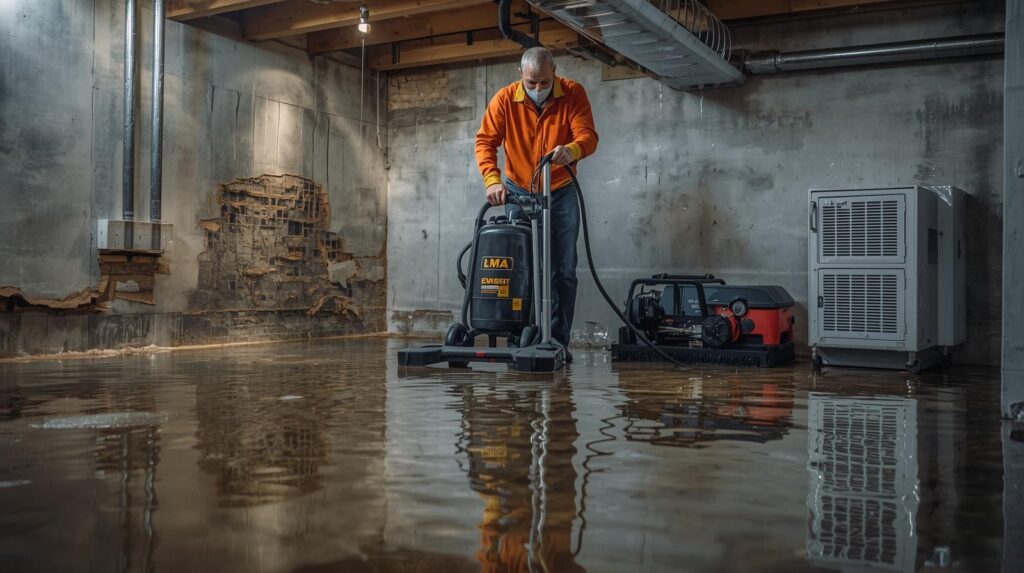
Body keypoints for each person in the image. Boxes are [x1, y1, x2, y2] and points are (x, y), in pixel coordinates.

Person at [475, 47, 599, 358]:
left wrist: (572, 149)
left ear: (554, 72)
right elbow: (485, 141)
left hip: (560, 189)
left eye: (544, 82)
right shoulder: (504, 99)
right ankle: (522, 338)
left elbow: (588, 136)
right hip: (519, 191)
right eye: (531, 83)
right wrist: (492, 180)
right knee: (522, 268)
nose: (538, 89)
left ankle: (557, 341)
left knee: (563, 269)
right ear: (521, 76)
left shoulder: (572, 93)